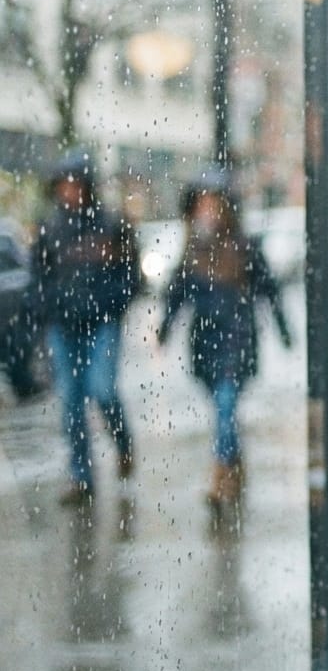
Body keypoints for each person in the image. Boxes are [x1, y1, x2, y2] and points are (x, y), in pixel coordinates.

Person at [156, 173, 293, 509]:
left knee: (226, 404)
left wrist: (284, 330)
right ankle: (234, 460)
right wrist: (164, 330)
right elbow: (176, 296)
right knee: (222, 410)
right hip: (204, 341)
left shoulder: (245, 246)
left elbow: (269, 291)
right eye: (201, 204)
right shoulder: (191, 251)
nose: (208, 211)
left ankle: (219, 477)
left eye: (214, 204)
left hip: (238, 339)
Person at [27, 149, 141, 505]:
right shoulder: (50, 228)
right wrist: (46, 311)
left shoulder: (110, 224)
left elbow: (131, 275)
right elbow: (38, 279)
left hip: (102, 323)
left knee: (102, 389)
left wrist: (112, 303)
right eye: (64, 185)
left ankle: (123, 442)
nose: (70, 191)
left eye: (76, 184)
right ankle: (80, 476)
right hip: (64, 327)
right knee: (71, 403)